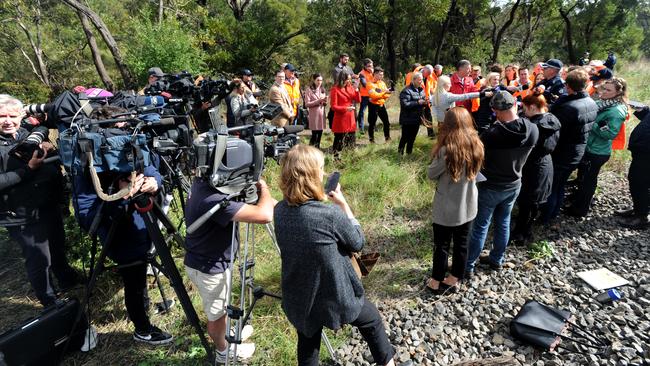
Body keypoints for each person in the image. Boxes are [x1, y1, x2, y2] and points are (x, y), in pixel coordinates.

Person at [274, 145, 398, 366]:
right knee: (371, 322)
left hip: (299, 294)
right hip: (336, 293)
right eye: (320, 169)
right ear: (312, 176)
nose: (323, 174)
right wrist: (343, 204)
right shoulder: (328, 214)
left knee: (308, 344)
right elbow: (357, 242)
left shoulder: (280, 210)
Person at [72, 106, 173, 345]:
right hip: (119, 232)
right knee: (133, 278)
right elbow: (86, 214)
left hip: (144, 225)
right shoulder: (87, 164)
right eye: (117, 131)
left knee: (141, 270)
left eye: (125, 129)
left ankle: (145, 307)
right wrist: (119, 197)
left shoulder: (131, 146)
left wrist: (152, 182)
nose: (123, 137)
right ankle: (142, 328)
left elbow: (153, 171)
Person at [184, 169, 274, 363]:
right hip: (209, 268)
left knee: (222, 307)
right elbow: (265, 214)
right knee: (217, 315)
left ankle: (227, 334)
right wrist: (263, 186)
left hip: (212, 262)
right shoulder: (213, 198)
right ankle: (224, 352)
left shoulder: (204, 184)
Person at [0, 95, 78, 307]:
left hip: (46, 204)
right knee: (38, 258)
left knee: (57, 245)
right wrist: (28, 170)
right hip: (19, 214)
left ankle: (67, 279)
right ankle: (49, 301)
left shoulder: (26, 134)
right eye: (2, 116)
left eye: (12, 115)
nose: (8, 120)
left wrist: (47, 147)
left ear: (21, 115)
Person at [465, 91, 538, 277]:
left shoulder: (492, 134)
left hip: (491, 185)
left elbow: (477, 155)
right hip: (514, 182)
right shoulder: (532, 129)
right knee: (503, 222)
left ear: (495, 110)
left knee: (481, 226)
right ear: (515, 104)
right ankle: (497, 259)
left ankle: (468, 266)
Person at [425, 107, 484, 293]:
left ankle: (436, 280)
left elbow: (431, 174)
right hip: (469, 205)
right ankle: (454, 278)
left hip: (447, 208)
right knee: (462, 243)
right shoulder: (477, 144)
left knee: (441, 245)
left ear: (448, 125)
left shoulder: (446, 150)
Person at [565, 78, 628, 217]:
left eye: (608, 90)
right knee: (583, 177)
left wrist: (590, 123)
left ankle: (580, 210)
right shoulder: (603, 103)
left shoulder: (616, 111)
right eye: (604, 88)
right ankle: (578, 199)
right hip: (589, 147)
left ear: (618, 93)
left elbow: (610, 134)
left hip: (597, 152)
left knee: (588, 180)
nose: (604, 92)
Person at [542, 69, 598, 222]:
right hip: (578, 151)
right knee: (560, 185)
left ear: (568, 86)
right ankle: (553, 215)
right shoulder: (592, 102)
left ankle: (545, 218)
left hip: (562, 152)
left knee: (552, 186)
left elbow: (553, 128)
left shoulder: (570, 108)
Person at [510, 92, 561, 245]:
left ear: (532, 107)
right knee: (533, 201)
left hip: (533, 167)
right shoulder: (553, 120)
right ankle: (525, 229)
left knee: (528, 201)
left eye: (524, 108)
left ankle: (522, 234)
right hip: (546, 163)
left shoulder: (534, 126)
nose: (523, 111)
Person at [618, 105, 650, 228]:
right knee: (640, 182)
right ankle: (640, 209)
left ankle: (642, 217)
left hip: (646, 153)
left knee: (639, 182)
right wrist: (644, 112)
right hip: (642, 150)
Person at [330, 69, 361, 157]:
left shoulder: (350, 87)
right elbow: (333, 106)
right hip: (341, 120)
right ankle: (336, 159)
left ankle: (349, 159)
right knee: (339, 141)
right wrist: (346, 108)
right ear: (342, 79)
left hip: (350, 119)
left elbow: (358, 100)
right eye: (348, 79)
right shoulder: (335, 89)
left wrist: (357, 89)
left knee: (351, 141)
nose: (349, 81)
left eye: (350, 79)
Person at [398, 72, 426, 155]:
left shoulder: (421, 90)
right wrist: (418, 102)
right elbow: (405, 104)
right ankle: (400, 154)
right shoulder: (406, 91)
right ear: (414, 80)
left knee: (412, 138)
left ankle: (409, 153)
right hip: (407, 119)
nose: (421, 82)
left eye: (422, 80)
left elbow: (423, 100)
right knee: (405, 138)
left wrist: (426, 102)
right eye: (419, 80)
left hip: (417, 118)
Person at [367, 66, 392, 143]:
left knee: (386, 123)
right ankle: (371, 140)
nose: (382, 76)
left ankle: (387, 138)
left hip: (381, 105)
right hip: (373, 106)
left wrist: (381, 94)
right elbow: (373, 96)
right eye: (380, 74)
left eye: (382, 74)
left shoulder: (382, 83)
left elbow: (388, 95)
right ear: (375, 74)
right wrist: (384, 92)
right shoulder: (369, 84)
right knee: (372, 124)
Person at [303, 73, 328, 148]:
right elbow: (307, 104)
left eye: (321, 80)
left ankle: (317, 149)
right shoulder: (309, 89)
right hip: (314, 115)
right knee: (314, 135)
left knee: (320, 134)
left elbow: (323, 103)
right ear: (314, 80)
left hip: (321, 114)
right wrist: (318, 101)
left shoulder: (322, 89)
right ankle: (310, 150)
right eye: (318, 80)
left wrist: (325, 102)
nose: (319, 82)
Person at [357, 58, 374, 134]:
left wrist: (373, 74)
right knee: (362, 112)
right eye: (369, 66)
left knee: (372, 112)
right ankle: (361, 129)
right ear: (364, 66)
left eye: (372, 65)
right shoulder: (361, 73)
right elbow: (364, 84)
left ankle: (372, 127)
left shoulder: (373, 73)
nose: (371, 67)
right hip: (364, 96)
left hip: (373, 95)